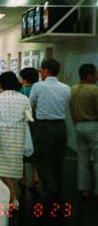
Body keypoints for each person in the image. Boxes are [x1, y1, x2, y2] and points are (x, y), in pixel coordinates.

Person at [0, 72, 33, 210]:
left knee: (2, 166)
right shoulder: (24, 98)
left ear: (2, 84)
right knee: (13, 165)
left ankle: (13, 197)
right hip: (18, 134)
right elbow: (29, 117)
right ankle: (10, 196)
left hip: (2, 134)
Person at [29, 58, 70, 203]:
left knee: (43, 159)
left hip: (44, 126)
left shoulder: (38, 86)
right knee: (58, 159)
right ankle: (57, 189)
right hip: (61, 126)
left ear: (46, 70)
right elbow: (65, 105)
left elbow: (31, 105)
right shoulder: (66, 88)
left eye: (41, 70)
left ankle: (49, 190)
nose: (40, 72)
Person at [70, 63, 98, 200]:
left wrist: (76, 123)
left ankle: (83, 189)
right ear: (89, 76)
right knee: (97, 160)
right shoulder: (94, 90)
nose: (97, 76)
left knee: (82, 159)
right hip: (93, 126)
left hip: (79, 126)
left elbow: (71, 109)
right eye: (95, 73)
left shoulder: (73, 89)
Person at [19, 67, 40, 188]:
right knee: (35, 147)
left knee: (22, 147)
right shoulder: (38, 89)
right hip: (36, 121)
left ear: (25, 78)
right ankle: (35, 175)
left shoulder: (21, 90)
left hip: (23, 122)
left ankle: (22, 177)